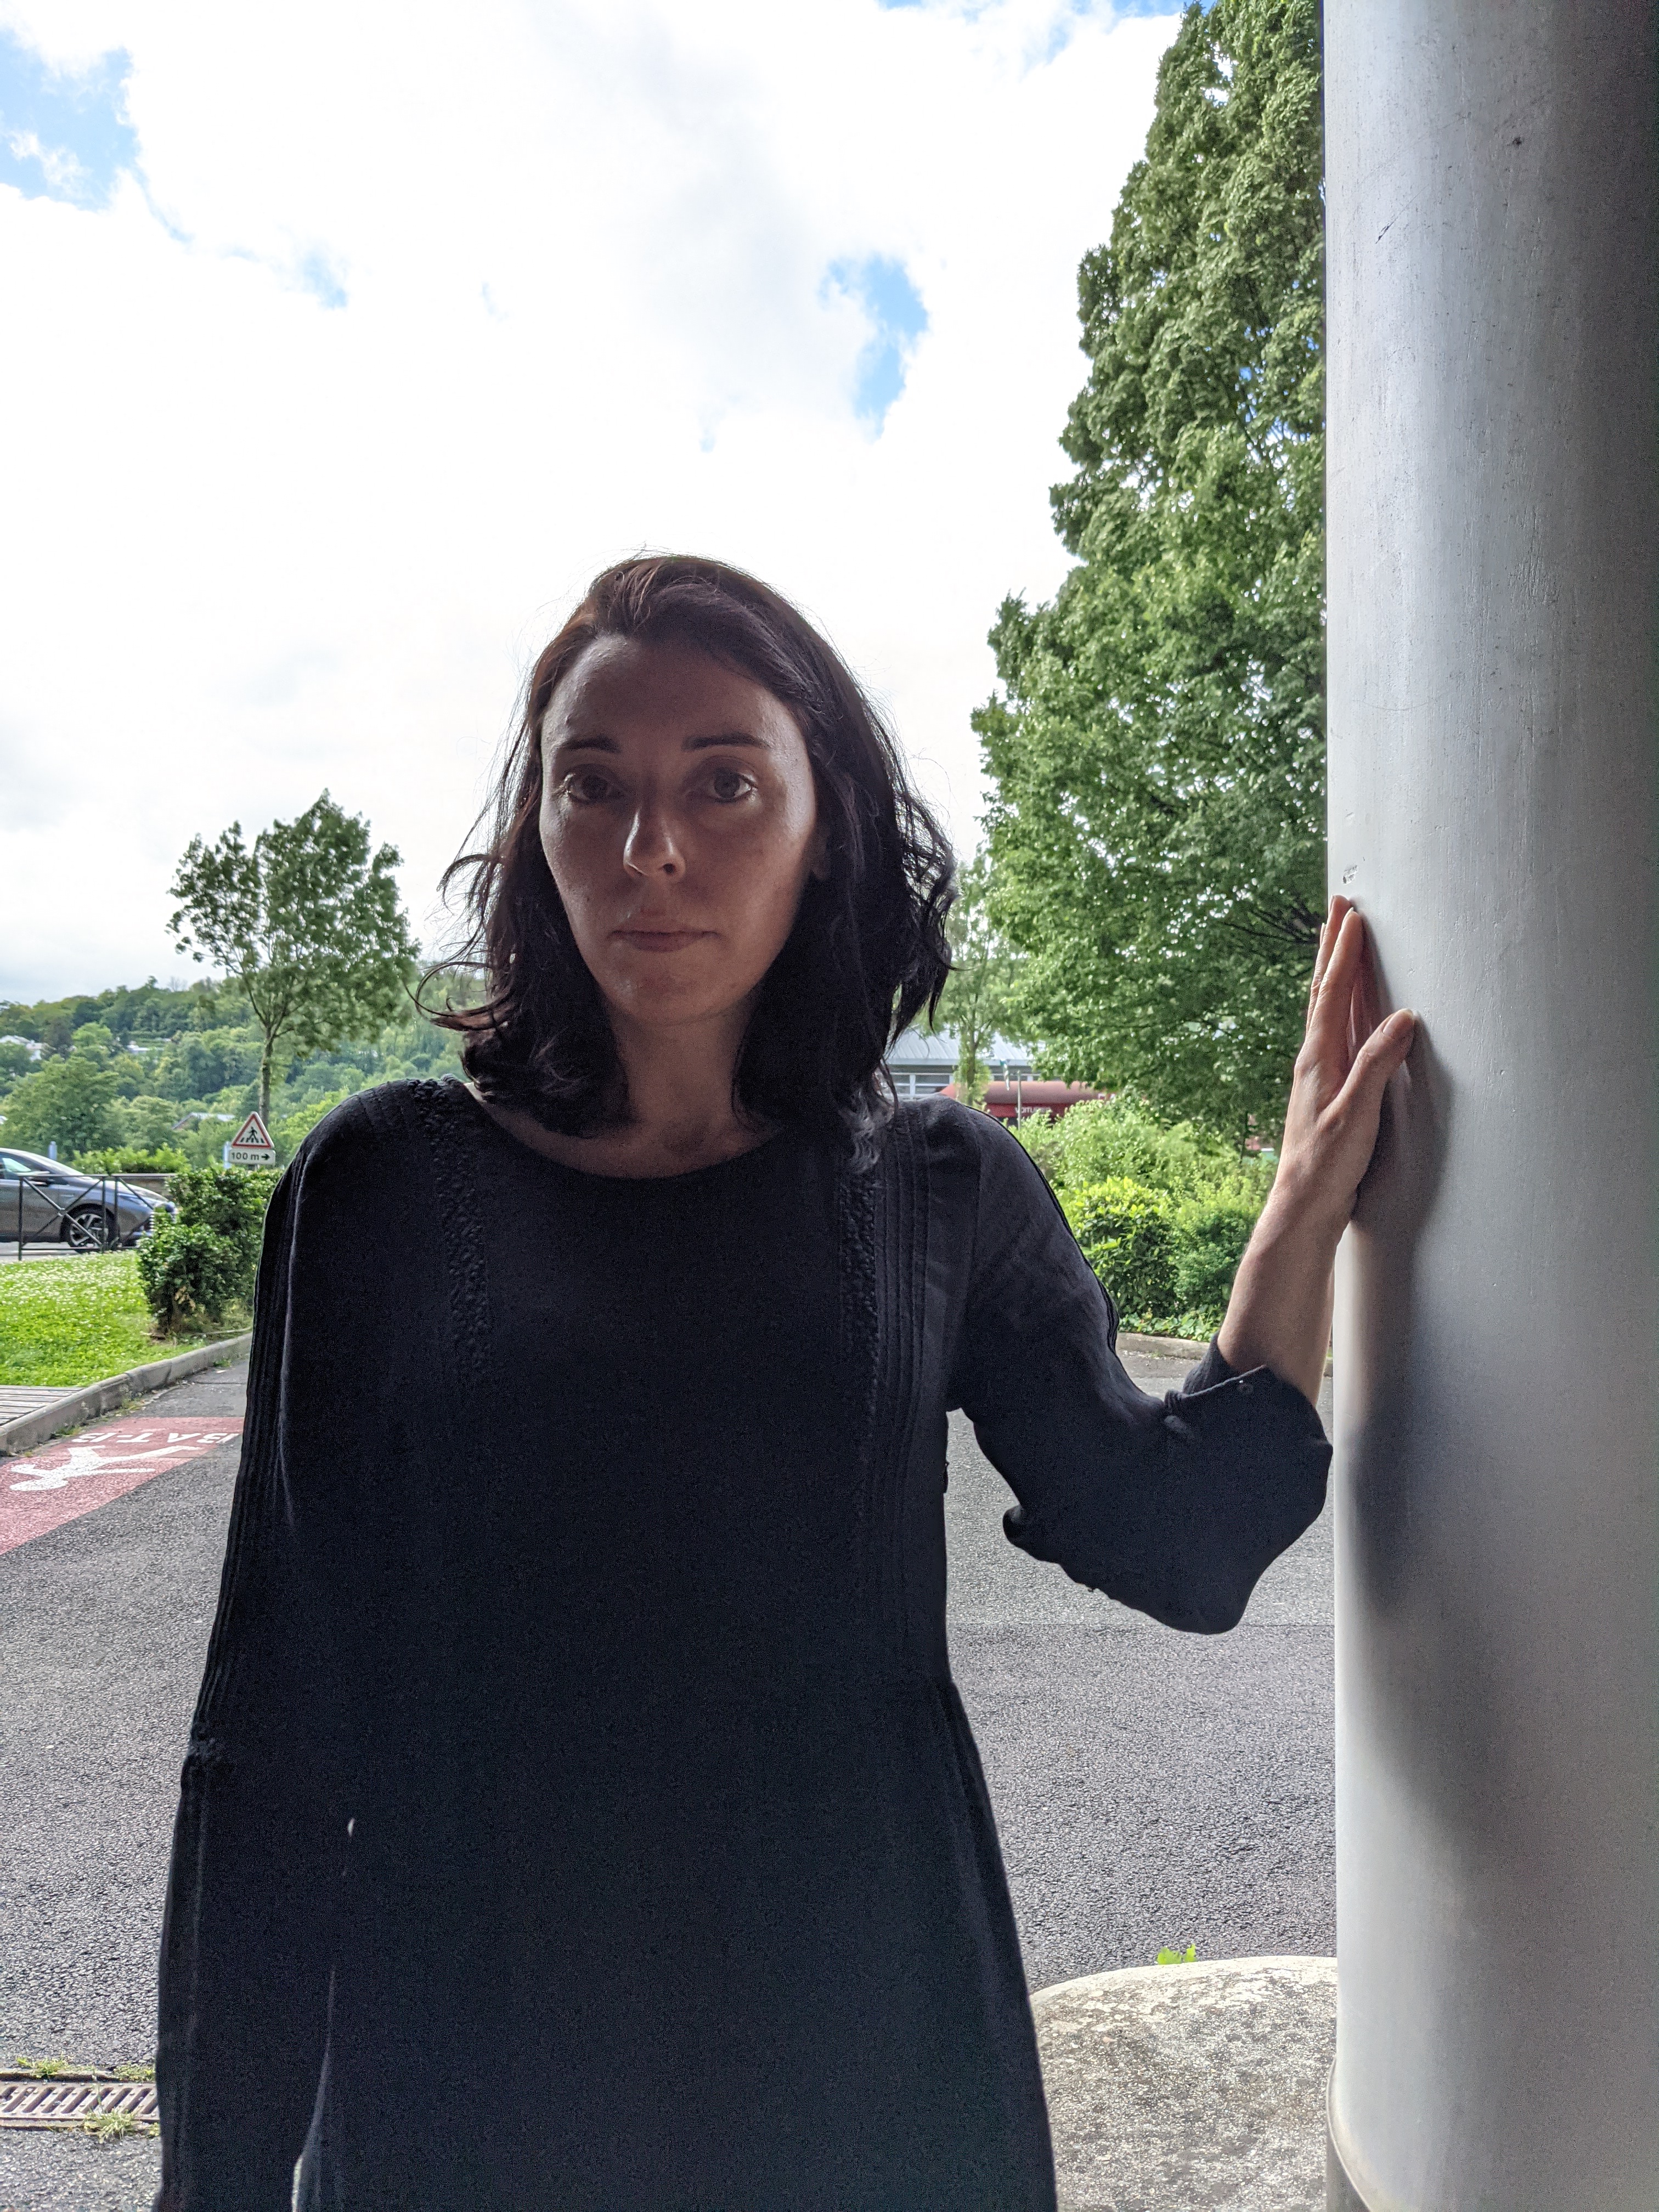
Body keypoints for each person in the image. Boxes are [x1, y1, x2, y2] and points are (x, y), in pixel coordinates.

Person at [154, 555, 1415, 2211]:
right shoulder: (382, 1186)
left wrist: (1302, 1217)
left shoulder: (939, 1190)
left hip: (864, 2058)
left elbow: (1182, 1542)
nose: (650, 846)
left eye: (724, 783)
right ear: (536, 830)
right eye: (592, 785)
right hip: (469, 2064)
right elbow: (266, 1735)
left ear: (827, 825)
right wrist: (214, 2177)